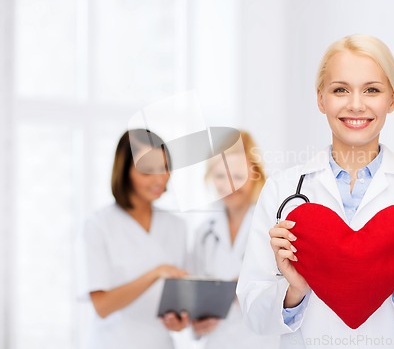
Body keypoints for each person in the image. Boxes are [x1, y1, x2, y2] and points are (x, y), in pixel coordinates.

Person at [236, 35, 394, 349]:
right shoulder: (282, 191)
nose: (356, 104)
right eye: (340, 89)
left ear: (392, 100)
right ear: (321, 99)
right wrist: (294, 289)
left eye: (372, 90)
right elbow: (254, 314)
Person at [77, 129, 189, 349]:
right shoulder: (99, 225)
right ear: (125, 172)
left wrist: (179, 320)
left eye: (164, 167)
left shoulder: (177, 226)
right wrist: (156, 273)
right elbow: (102, 307)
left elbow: (177, 300)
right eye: (148, 171)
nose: (160, 178)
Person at [188, 131, 280, 349]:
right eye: (220, 176)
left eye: (238, 176)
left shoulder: (274, 225)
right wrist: (196, 322)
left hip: (261, 342)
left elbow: (291, 296)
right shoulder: (204, 233)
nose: (229, 185)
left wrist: (249, 286)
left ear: (255, 174)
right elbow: (194, 298)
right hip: (217, 342)